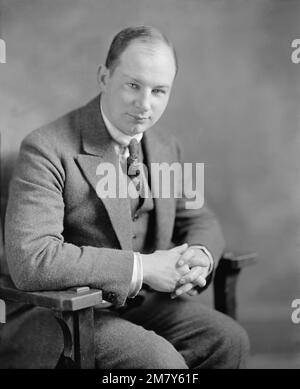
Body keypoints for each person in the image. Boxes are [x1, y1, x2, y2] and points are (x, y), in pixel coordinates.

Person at [1, 26, 249, 369]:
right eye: (132, 85)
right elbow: (33, 259)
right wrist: (146, 268)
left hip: (140, 304)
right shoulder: (45, 148)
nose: (145, 105)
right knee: (160, 365)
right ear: (104, 77)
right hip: (67, 313)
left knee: (227, 340)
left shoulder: (165, 147)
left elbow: (199, 218)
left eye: (159, 91)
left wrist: (199, 258)